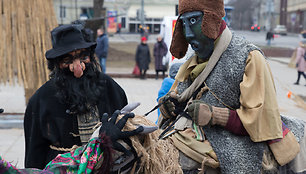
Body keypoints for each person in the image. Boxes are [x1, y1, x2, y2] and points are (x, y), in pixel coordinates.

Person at [158, 0, 306, 173]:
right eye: (184, 23)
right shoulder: (193, 58)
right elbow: (180, 94)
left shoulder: (248, 56)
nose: (188, 34)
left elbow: (261, 120)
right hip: (191, 136)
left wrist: (215, 115)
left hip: (237, 144)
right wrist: (169, 107)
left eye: (193, 21)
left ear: (212, 19)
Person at [24, 24, 128, 169]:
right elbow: (34, 153)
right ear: (58, 63)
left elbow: (129, 132)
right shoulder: (41, 99)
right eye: (68, 60)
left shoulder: (109, 87)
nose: (77, 68)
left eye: (83, 57)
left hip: (104, 167)